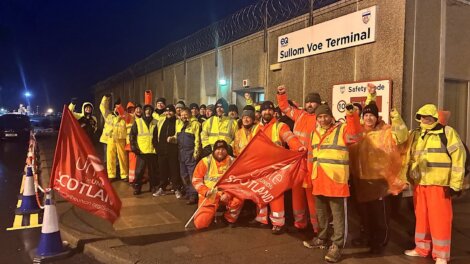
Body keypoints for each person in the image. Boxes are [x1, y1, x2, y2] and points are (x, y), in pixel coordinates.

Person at [404, 104, 466, 264]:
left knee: (440, 220)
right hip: (420, 184)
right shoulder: (416, 134)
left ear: (435, 117)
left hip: (440, 184)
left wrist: (455, 184)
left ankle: (441, 255)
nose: (425, 119)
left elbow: (459, 158)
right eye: (422, 116)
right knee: (422, 218)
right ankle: (421, 248)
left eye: (428, 116)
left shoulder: (447, 132)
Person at [349, 101, 409, 254]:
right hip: (362, 181)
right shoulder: (360, 131)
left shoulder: (386, 131)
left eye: (372, 115)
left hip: (379, 182)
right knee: (365, 215)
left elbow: (401, 137)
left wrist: (396, 117)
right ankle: (367, 237)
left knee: (380, 216)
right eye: (366, 115)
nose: (369, 118)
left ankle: (380, 242)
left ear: (377, 117)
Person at [305, 103, 362, 263]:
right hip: (318, 179)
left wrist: (351, 116)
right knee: (321, 213)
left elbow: (356, 136)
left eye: (325, 116)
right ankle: (322, 238)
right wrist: (310, 176)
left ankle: (337, 245)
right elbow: (311, 156)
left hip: (336, 180)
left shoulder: (342, 129)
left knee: (338, 216)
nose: (323, 120)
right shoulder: (313, 133)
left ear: (331, 117)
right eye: (320, 117)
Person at [253, 101, 306, 234]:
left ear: (274, 112)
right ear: (261, 112)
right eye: (265, 110)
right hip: (260, 167)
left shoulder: (280, 126)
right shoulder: (256, 128)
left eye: (270, 110)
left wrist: (299, 147)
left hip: (276, 167)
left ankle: (278, 223)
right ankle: (262, 219)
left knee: (276, 194)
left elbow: (290, 138)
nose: (267, 112)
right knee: (261, 193)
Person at [277, 85, 322, 233]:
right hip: (297, 164)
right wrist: (281, 94)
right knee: (297, 198)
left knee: (312, 200)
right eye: (308, 102)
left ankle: (317, 228)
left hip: (312, 166)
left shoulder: (321, 118)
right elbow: (284, 107)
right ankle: (300, 224)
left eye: (313, 102)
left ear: (318, 104)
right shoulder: (300, 115)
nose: (309, 104)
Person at [192, 140, 243, 229]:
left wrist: (228, 194)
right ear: (213, 150)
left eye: (223, 149)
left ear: (227, 150)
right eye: (218, 149)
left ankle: (228, 218)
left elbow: (238, 182)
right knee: (200, 224)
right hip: (210, 195)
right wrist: (206, 191)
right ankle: (210, 216)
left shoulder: (233, 162)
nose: (220, 152)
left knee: (239, 198)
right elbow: (196, 180)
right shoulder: (205, 161)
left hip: (226, 195)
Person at [153, 104, 183, 198]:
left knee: (174, 170)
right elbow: (155, 135)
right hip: (162, 151)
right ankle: (162, 188)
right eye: (166, 111)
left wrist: (173, 139)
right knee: (162, 170)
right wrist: (157, 147)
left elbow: (179, 134)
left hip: (173, 150)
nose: (168, 113)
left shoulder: (178, 121)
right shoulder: (161, 121)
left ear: (174, 112)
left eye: (170, 111)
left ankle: (177, 189)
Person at [130, 104, 158, 195]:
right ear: (143, 111)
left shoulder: (156, 122)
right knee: (139, 171)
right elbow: (132, 136)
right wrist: (134, 147)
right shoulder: (138, 122)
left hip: (152, 151)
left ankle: (153, 186)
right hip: (141, 151)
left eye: (150, 110)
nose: (148, 111)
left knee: (153, 171)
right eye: (146, 110)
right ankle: (137, 187)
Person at [99, 95, 128, 181]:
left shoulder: (124, 116)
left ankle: (124, 175)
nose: (116, 108)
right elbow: (102, 107)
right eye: (115, 107)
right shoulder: (108, 115)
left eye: (118, 106)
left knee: (122, 157)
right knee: (110, 157)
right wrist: (105, 98)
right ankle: (111, 175)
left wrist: (119, 106)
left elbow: (129, 119)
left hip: (120, 138)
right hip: (111, 138)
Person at [176, 107, 201, 205]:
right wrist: (172, 139)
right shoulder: (179, 124)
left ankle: (193, 195)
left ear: (190, 115)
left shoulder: (195, 124)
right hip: (181, 153)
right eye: (182, 115)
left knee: (192, 175)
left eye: (185, 114)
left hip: (190, 153)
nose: (183, 116)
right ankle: (188, 192)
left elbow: (197, 140)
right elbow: (177, 136)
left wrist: (196, 152)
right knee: (184, 175)